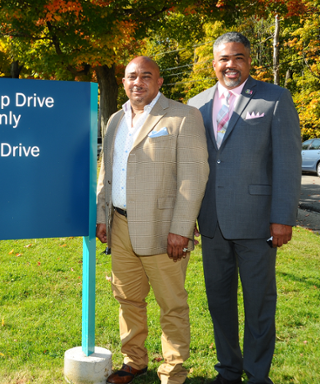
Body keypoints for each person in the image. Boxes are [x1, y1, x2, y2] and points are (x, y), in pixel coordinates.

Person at [187, 32, 302, 384]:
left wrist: (282, 218)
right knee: (219, 303)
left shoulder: (275, 98)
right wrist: (187, 215)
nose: (230, 65)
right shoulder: (196, 104)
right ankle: (228, 369)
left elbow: (287, 163)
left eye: (238, 57)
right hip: (212, 222)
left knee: (259, 305)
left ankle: (257, 374)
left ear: (249, 61)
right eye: (224, 59)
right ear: (213, 64)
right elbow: (191, 165)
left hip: (257, 225)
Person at [96, 56, 209, 384]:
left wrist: (181, 228)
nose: (138, 82)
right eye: (132, 76)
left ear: (159, 82)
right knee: (126, 299)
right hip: (119, 226)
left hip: (164, 230)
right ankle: (134, 361)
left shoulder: (183, 116)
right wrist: (103, 215)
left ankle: (172, 372)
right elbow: (108, 170)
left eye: (146, 76)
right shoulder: (116, 119)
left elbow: (194, 175)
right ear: (125, 80)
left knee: (171, 304)